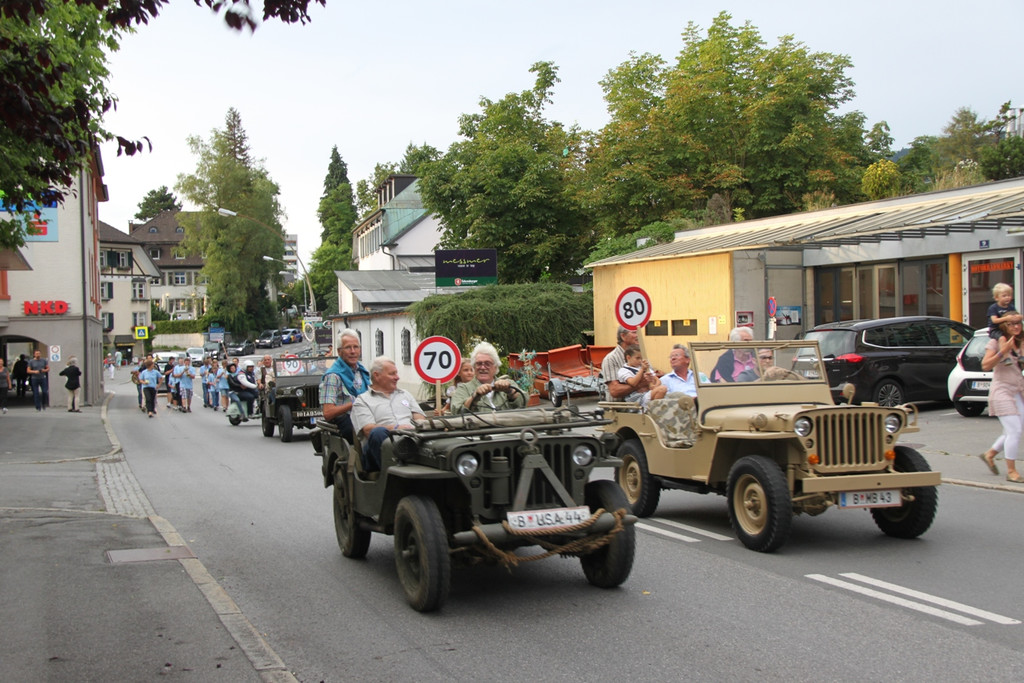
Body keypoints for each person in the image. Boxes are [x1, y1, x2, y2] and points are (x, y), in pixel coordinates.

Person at [350, 356, 425, 472]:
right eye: (392, 374)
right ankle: (394, 472)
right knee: (377, 432)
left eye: (396, 373)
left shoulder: (405, 394)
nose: (397, 377)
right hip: (382, 448)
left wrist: (418, 426)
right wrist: (397, 428)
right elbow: (368, 430)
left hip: (411, 442)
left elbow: (420, 418)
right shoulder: (362, 401)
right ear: (376, 375)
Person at [980, 319, 1024, 483]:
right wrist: (1002, 352)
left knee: (1013, 429)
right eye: (1012, 324)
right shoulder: (996, 342)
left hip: (1018, 391)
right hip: (1001, 391)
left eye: (1018, 323)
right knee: (1015, 431)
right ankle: (1011, 471)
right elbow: (985, 365)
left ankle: (990, 454)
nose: (1016, 326)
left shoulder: (1020, 342)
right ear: (1004, 326)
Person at [319, 329, 370, 443]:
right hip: (348, 422)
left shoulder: (362, 372)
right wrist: (354, 404)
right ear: (339, 351)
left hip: (366, 415)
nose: (353, 351)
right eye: (348, 348)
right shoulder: (333, 376)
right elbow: (328, 413)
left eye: (356, 347)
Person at [452, 341, 526, 414]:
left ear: (495, 367)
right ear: (474, 366)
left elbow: (524, 402)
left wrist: (509, 391)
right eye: (479, 363)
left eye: (487, 364)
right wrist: (475, 396)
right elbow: (456, 411)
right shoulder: (463, 388)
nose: (483, 367)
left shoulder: (509, 384)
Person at [601, 326, 640, 400]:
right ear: (623, 336)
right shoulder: (611, 359)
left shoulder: (641, 355)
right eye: (634, 332)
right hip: (620, 408)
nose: (638, 335)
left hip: (641, 405)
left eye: (638, 332)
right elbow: (615, 390)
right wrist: (639, 385)